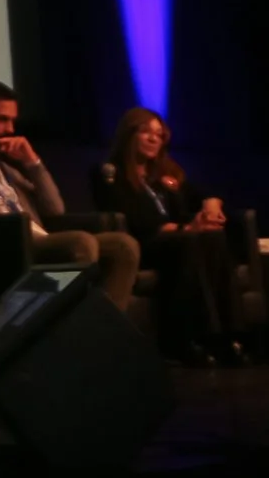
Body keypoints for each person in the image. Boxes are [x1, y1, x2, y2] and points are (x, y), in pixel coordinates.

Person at [0, 79, 138, 310]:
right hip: (7, 243)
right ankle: (73, 326)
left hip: (39, 239)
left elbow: (55, 209)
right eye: (1, 120)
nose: (10, 129)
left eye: (12, 121)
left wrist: (33, 163)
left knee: (124, 245)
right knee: (81, 242)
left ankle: (103, 324)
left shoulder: (7, 168)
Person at [100, 107, 243, 362]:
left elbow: (204, 194)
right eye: (146, 132)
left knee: (214, 236)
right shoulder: (111, 174)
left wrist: (211, 208)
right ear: (129, 135)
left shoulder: (165, 174)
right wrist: (187, 228)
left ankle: (228, 336)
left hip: (182, 239)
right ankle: (185, 340)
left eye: (159, 135)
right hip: (143, 244)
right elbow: (138, 222)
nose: (154, 139)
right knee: (191, 242)